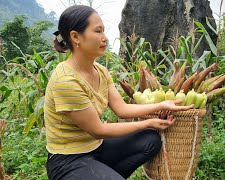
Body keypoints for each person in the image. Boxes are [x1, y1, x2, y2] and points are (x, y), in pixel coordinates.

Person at [45, 5, 193, 180]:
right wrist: (147, 123)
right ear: (75, 37)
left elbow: (122, 109)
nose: (104, 38)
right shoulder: (66, 80)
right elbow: (98, 130)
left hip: (96, 147)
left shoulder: (100, 70)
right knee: (147, 131)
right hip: (68, 160)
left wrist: (161, 104)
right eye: (98, 31)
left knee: (151, 141)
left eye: (104, 31)